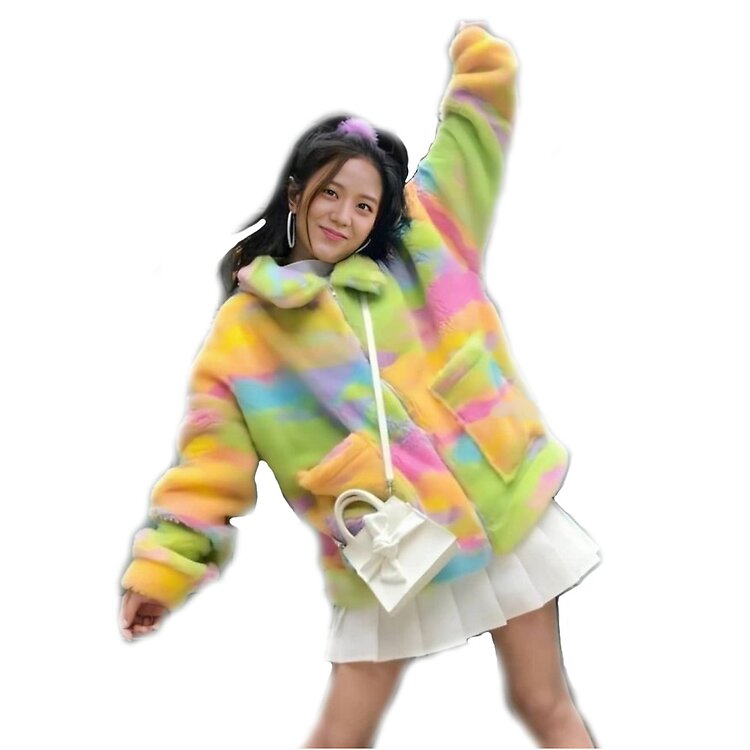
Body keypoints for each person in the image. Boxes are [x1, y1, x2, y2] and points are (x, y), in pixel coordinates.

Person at [118, 21, 601, 748]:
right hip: (388, 536)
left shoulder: (420, 242)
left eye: (365, 205)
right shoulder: (244, 332)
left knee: (544, 701)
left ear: (383, 215)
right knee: (342, 732)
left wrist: (479, 54)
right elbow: (207, 467)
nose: (343, 216)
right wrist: (161, 574)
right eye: (330, 195)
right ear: (296, 193)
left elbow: (472, 141)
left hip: (497, 498)